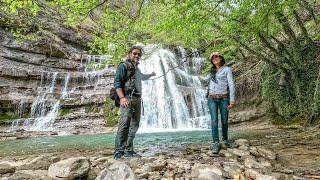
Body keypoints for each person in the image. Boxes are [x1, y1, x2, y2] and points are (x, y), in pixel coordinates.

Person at [113, 46, 156, 159]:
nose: (137, 56)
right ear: (129, 54)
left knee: (134, 125)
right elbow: (117, 83)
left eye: (139, 54)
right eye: (134, 53)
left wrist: (151, 75)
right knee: (124, 124)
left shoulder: (137, 69)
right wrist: (122, 98)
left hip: (137, 99)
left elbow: (142, 77)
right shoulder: (123, 66)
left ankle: (129, 150)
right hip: (127, 98)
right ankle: (119, 151)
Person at [206, 52, 235, 154]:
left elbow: (231, 84)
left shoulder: (227, 70)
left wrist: (232, 100)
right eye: (212, 58)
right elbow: (203, 80)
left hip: (224, 98)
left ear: (221, 58)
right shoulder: (211, 72)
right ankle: (215, 142)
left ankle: (225, 140)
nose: (214, 58)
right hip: (211, 99)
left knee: (224, 120)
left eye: (216, 56)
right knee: (214, 120)